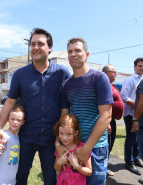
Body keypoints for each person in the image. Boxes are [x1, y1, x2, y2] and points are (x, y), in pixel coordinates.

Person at [0, 28, 71, 185]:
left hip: (52, 138)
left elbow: (70, 102)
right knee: (20, 175)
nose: (36, 47)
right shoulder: (20, 74)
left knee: (50, 178)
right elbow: (9, 102)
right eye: (33, 44)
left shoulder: (62, 73)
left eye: (40, 44)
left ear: (49, 47)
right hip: (25, 137)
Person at [58, 38, 113, 185]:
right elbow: (64, 116)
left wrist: (86, 148)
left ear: (87, 54)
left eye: (77, 50)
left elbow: (106, 116)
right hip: (73, 147)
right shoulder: (66, 85)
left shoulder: (99, 78)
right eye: (70, 52)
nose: (73, 54)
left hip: (95, 148)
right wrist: (60, 144)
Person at [120, 57, 143, 175]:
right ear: (134, 67)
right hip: (131, 114)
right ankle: (129, 162)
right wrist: (136, 107)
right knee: (131, 138)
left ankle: (136, 159)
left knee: (137, 139)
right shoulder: (130, 80)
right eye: (140, 66)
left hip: (141, 114)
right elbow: (124, 96)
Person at [0, 104, 25, 185]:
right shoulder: (4, 136)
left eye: (19, 120)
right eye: (12, 119)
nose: (15, 122)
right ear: (8, 119)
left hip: (12, 182)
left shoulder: (20, 138)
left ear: (23, 122)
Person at [54, 114, 92, 185]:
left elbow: (89, 172)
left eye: (68, 134)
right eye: (61, 133)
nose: (64, 138)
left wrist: (76, 166)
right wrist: (59, 162)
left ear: (76, 132)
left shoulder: (82, 149)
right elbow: (57, 168)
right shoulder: (61, 148)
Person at [102, 64, 124, 176]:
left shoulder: (111, 85)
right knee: (107, 144)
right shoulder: (103, 85)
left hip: (112, 120)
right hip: (107, 120)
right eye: (114, 72)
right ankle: (103, 168)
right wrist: (107, 123)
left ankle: (104, 163)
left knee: (110, 143)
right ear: (107, 73)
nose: (116, 74)